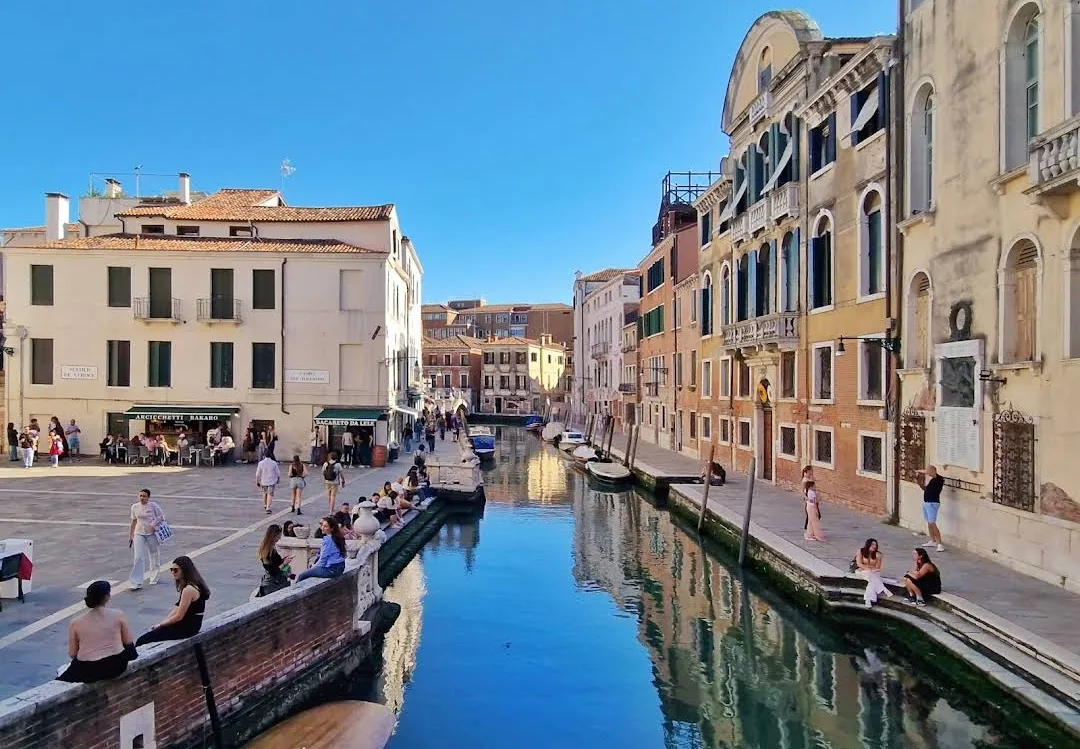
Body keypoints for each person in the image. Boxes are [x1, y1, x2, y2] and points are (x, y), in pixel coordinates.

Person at [57, 581, 136, 683]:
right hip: (116, 664)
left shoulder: (76, 623)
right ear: (107, 596)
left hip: (89, 669)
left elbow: (72, 653)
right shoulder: (118, 615)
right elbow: (128, 642)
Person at [136, 556, 210, 645]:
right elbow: (177, 607)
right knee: (149, 636)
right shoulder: (195, 584)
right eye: (171, 570)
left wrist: (161, 625)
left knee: (142, 640)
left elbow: (179, 616)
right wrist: (163, 624)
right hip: (191, 625)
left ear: (184, 570)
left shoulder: (188, 589)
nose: (172, 573)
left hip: (186, 628)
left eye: (175, 570)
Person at [128, 489, 165, 589]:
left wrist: (154, 523)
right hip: (139, 532)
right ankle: (136, 581)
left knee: (154, 554)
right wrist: (131, 535)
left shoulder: (153, 506)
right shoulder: (134, 507)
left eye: (144, 496)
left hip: (152, 533)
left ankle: (154, 577)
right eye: (140, 496)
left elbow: (161, 516)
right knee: (138, 557)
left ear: (148, 497)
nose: (142, 498)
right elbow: (133, 521)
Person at [855, 538, 893, 608]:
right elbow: (859, 564)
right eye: (872, 544)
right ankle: (883, 588)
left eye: (875, 544)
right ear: (868, 544)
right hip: (862, 571)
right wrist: (868, 569)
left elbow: (878, 567)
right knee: (870, 575)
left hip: (874, 572)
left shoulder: (878, 554)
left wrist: (871, 570)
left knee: (871, 581)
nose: (874, 546)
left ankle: (868, 600)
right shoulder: (860, 551)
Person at [256, 525, 292, 597]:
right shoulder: (268, 552)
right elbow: (272, 570)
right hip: (272, 583)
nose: (279, 538)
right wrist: (284, 563)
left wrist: (283, 560)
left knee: (293, 578)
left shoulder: (270, 549)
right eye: (278, 536)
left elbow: (276, 563)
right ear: (273, 536)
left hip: (276, 580)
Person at [916, 465, 946, 552]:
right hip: (926, 503)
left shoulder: (939, 479)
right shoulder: (932, 480)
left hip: (933, 504)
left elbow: (930, 472)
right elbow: (924, 489)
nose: (927, 474)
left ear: (933, 471)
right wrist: (918, 480)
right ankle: (932, 540)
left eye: (928, 472)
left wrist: (921, 471)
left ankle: (940, 543)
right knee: (929, 522)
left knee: (932, 523)